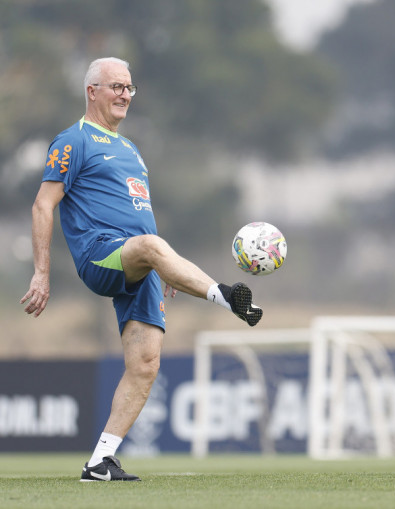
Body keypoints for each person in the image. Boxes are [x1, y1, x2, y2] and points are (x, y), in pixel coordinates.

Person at [20, 57, 263, 482]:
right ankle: (225, 296)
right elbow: (44, 204)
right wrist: (41, 272)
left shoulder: (131, 149)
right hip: (101, 255)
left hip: (142, 263)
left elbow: (142, 220)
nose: (125, 95)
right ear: (91, 91)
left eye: (130, 88)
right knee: (151, 245)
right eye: (116, 86)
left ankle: (100, 461)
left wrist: (167, 267)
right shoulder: (72, 140)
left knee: (146, 363)